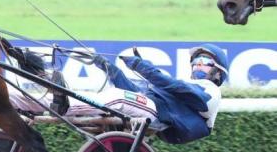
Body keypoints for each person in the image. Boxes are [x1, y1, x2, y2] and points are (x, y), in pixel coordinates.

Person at [90, 43, 227, 144]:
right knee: (119, 94)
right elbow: (134, 91)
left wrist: (142, 67)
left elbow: (174, 85)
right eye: (196, 61)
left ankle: (72, 106)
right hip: (156, 112)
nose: (198, 65)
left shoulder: (211, 91)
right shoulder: (179, 91)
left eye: (205, 62)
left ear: (218, 72)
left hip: (162, 118)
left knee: (116, 96)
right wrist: (109, 68)